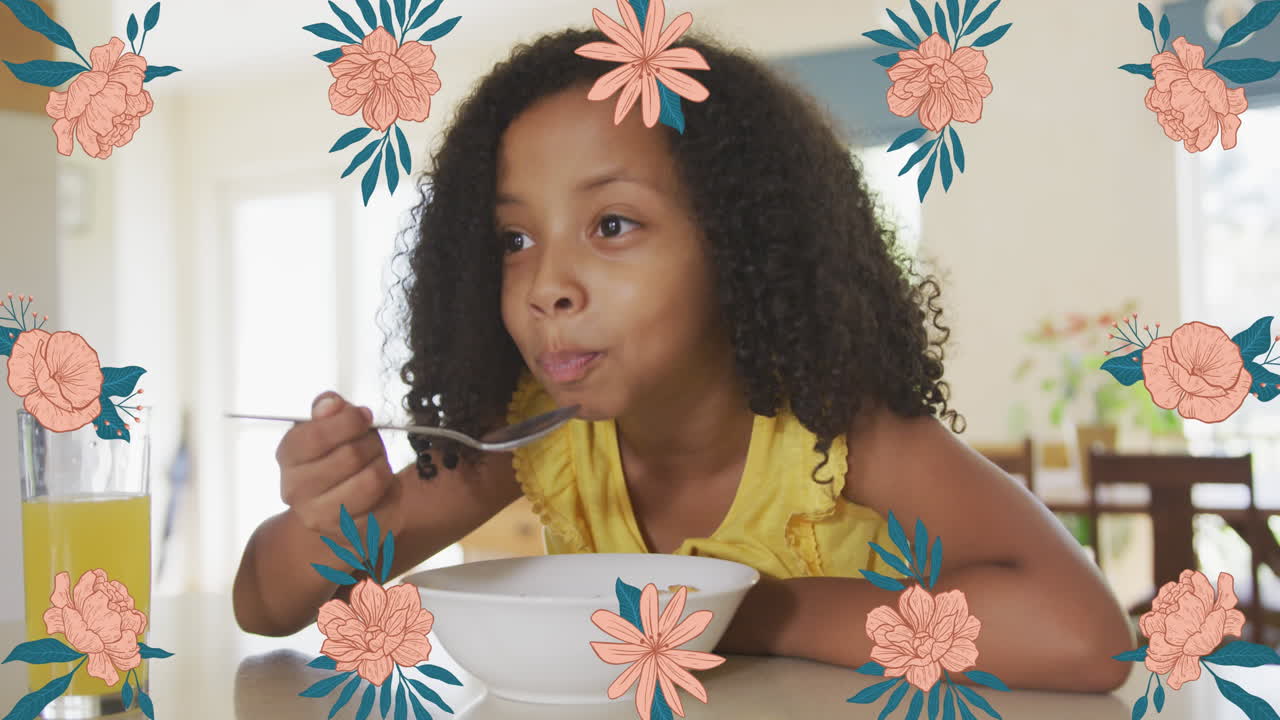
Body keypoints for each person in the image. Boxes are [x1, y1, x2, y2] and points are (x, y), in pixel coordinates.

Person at [233, 24, 1134, 692]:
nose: (547, 284)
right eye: (513, 238)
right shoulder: (538, 436)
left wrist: (753, 612)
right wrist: (331, 516)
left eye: (612, 224)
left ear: (741, 245)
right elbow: (264, 606)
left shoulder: (833, 430)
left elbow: (1088, 636)